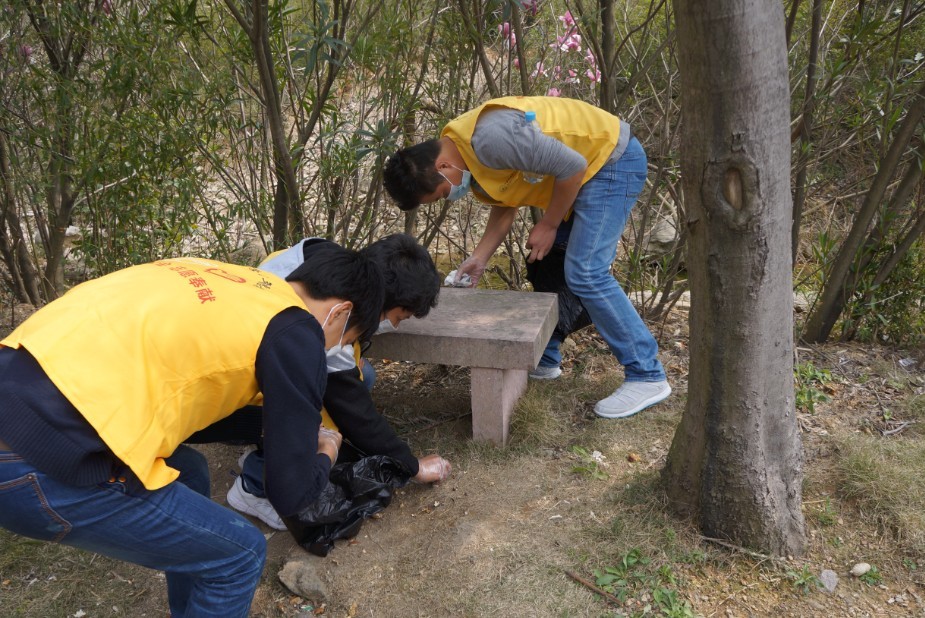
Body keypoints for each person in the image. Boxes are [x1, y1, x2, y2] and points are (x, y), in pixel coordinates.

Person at [0, 246, 384, 617]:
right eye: (346, 341)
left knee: (190, 472)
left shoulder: (236, 283)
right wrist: (325, 450)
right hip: (36, 458)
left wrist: (285, 429)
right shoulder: (298, 330)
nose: (334, 349)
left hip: (21, 397)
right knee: (239, 556)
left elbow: (192, 402)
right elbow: (292, 493)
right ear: (340, 312)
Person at [383, 95, 670, 419]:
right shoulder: (467, 154)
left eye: (441, 193)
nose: (449, 196)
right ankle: (545, 360)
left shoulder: (490, 140)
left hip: (610, 163)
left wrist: (548, 223)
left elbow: (573, 167)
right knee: (545, 263)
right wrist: (479, 258)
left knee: (586, 272)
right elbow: (506, 203)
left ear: (443, 167)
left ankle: (647, 374)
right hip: (582, 175)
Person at [194, 234, 452, 531]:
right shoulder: (315, 330)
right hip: (234, 380)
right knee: (317, 417)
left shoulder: (319, 261)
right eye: (398, 317)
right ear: (376, 300)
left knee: (360, 376)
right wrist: (412, 466)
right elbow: (357, 415)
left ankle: (262, 445)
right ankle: (254, 484)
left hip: (229, 342)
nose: (392, 325)